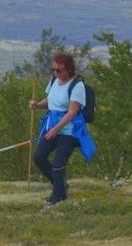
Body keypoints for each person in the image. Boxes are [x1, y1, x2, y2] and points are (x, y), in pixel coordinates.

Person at [28, 52, 95, 204]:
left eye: (59, 70)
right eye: (54, 70)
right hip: (52, 127)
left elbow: (72, 112)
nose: (56, 73)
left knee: (58, 165)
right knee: (39, 157)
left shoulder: (77, 86)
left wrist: (56, 129)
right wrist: (37, 105)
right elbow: (51, 100)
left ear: (69, 69)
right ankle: (60, 186)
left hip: (69, 131)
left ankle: (58, 197)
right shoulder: (53, 81)